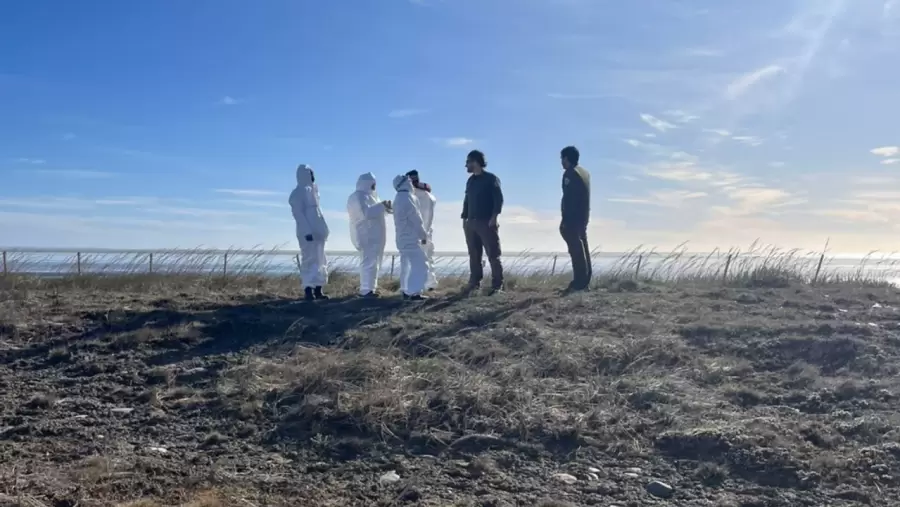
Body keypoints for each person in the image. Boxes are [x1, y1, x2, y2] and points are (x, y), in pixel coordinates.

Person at [461, 150, 504, 295]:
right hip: (470, 223)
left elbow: (498, 200)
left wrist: (494, 217)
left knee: (493, 254)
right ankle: (474, 283)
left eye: (468, 162)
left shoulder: (491, 179)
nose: (466, 165)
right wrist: (464, 218)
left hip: (486, 222)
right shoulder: (471, 181)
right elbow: (467, 201)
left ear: (475, 162)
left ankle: (497, 285)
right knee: (474, 254)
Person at [289, 163, 330, 301]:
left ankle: (318, 289)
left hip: (318, 231)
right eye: (310, 174)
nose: (313, 177)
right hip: (308, 233)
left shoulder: (313, 192)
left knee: (320, 259)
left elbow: (318, 212)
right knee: (309, 259)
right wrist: (307, 231)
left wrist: (324, 229)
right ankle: (308, 289)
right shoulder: (297, 194)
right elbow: (298, 215)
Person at [347, 172, 392, 297]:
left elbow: (377, 212)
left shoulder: (371, 196)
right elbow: (365, 213)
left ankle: (371, 288)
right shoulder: (358, 196)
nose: (374, 186)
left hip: (374, 236)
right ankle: (366, 290)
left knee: (374, 263)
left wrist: (385, 207)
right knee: (368, 262)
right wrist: (381, 206)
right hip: (366, 236)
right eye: (373, 184)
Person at [559, 145, 592, 291]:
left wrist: (565, 220)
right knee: (582, 247)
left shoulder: (570, 174)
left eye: (562, 158)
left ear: (567, 159)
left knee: (576, 250)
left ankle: (579, 282)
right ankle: (585, 279)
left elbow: (569, 199)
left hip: (573, 218)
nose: (561, 162)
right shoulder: (585, 173)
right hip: (583, 217)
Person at [392, 174, 429, 300]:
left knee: (406, 265)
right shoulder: (408, 198)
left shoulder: (398, 198)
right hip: (410, 238)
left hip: (401, 238)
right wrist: (423, 235)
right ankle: (413, 293)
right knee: (421, 264)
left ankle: (405, 289)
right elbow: (416, 219)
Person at [405, 169, 438, 291]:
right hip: (428, 231)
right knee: (428, 257)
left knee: (417, 261)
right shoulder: (428, 195)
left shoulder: (414, 196)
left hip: (418, 232)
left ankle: (419, 286)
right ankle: (430, 284)